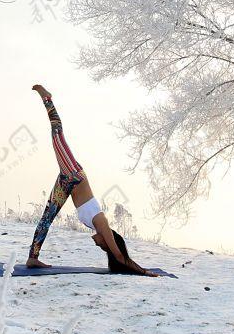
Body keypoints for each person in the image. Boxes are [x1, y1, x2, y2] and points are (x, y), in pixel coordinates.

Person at [26, 84, 158, 277]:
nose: (98, 244)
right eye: (103, 246)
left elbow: (116, 256)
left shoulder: (95, 226)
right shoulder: (102, 224)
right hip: (74, 175)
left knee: (47, 218)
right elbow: (121, 257)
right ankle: (47, 99)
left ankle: (32, 257)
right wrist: (144, 271)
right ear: (108, 240)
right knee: (57, 135)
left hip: (67, 183)